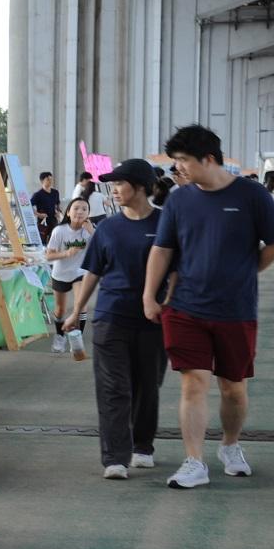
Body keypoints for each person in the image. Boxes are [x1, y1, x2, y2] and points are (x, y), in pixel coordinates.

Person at [143, 125, 274, 489]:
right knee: (194, 383)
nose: (179, 169)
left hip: (236, 309)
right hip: (186, 306)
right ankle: (194, 461)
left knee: (233, 387)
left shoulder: (252, 195)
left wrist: (246, 269)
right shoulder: (178, 199)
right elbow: (163, 249)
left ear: (208, 159)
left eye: (183, 161)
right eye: (175, 162)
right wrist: (149, 294)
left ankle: (230, 445)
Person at [66, 160, 169, 479]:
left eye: (119, 183)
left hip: (154, 320)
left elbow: (178, 269)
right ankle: (114, 457)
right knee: (113, 387)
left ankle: (142, 446)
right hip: (111, 317)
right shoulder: (108, 228)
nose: (114, 189)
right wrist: (77, 311)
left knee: (147, 386)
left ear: (140, 187)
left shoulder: (167, 223)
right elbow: (93, 271)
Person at [44, 197, 94, 355]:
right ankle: (60, 337)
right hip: (61, 273)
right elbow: (49, 256)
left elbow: (103, 246)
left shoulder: (90, 230)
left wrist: (91, 232)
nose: (80, 211)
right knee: (60, 310)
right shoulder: (60, 231)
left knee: (81, 305)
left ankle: (76, 341)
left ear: (88, 214)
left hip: (81, 272)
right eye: (76, 208)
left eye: (84, 209)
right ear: (68, 212)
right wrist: (66, 253)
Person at [30, 171, 61, 244]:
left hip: (54, 220)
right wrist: (38, 214)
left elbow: (57, 204)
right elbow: (29, 206)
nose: (50, 181)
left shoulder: (55, 192)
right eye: (48, 179)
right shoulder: (38, 194)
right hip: (43, 222)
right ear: (42, 181)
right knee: (42, 241)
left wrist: (58, 212)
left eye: (51, 179)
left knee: (54, 240)